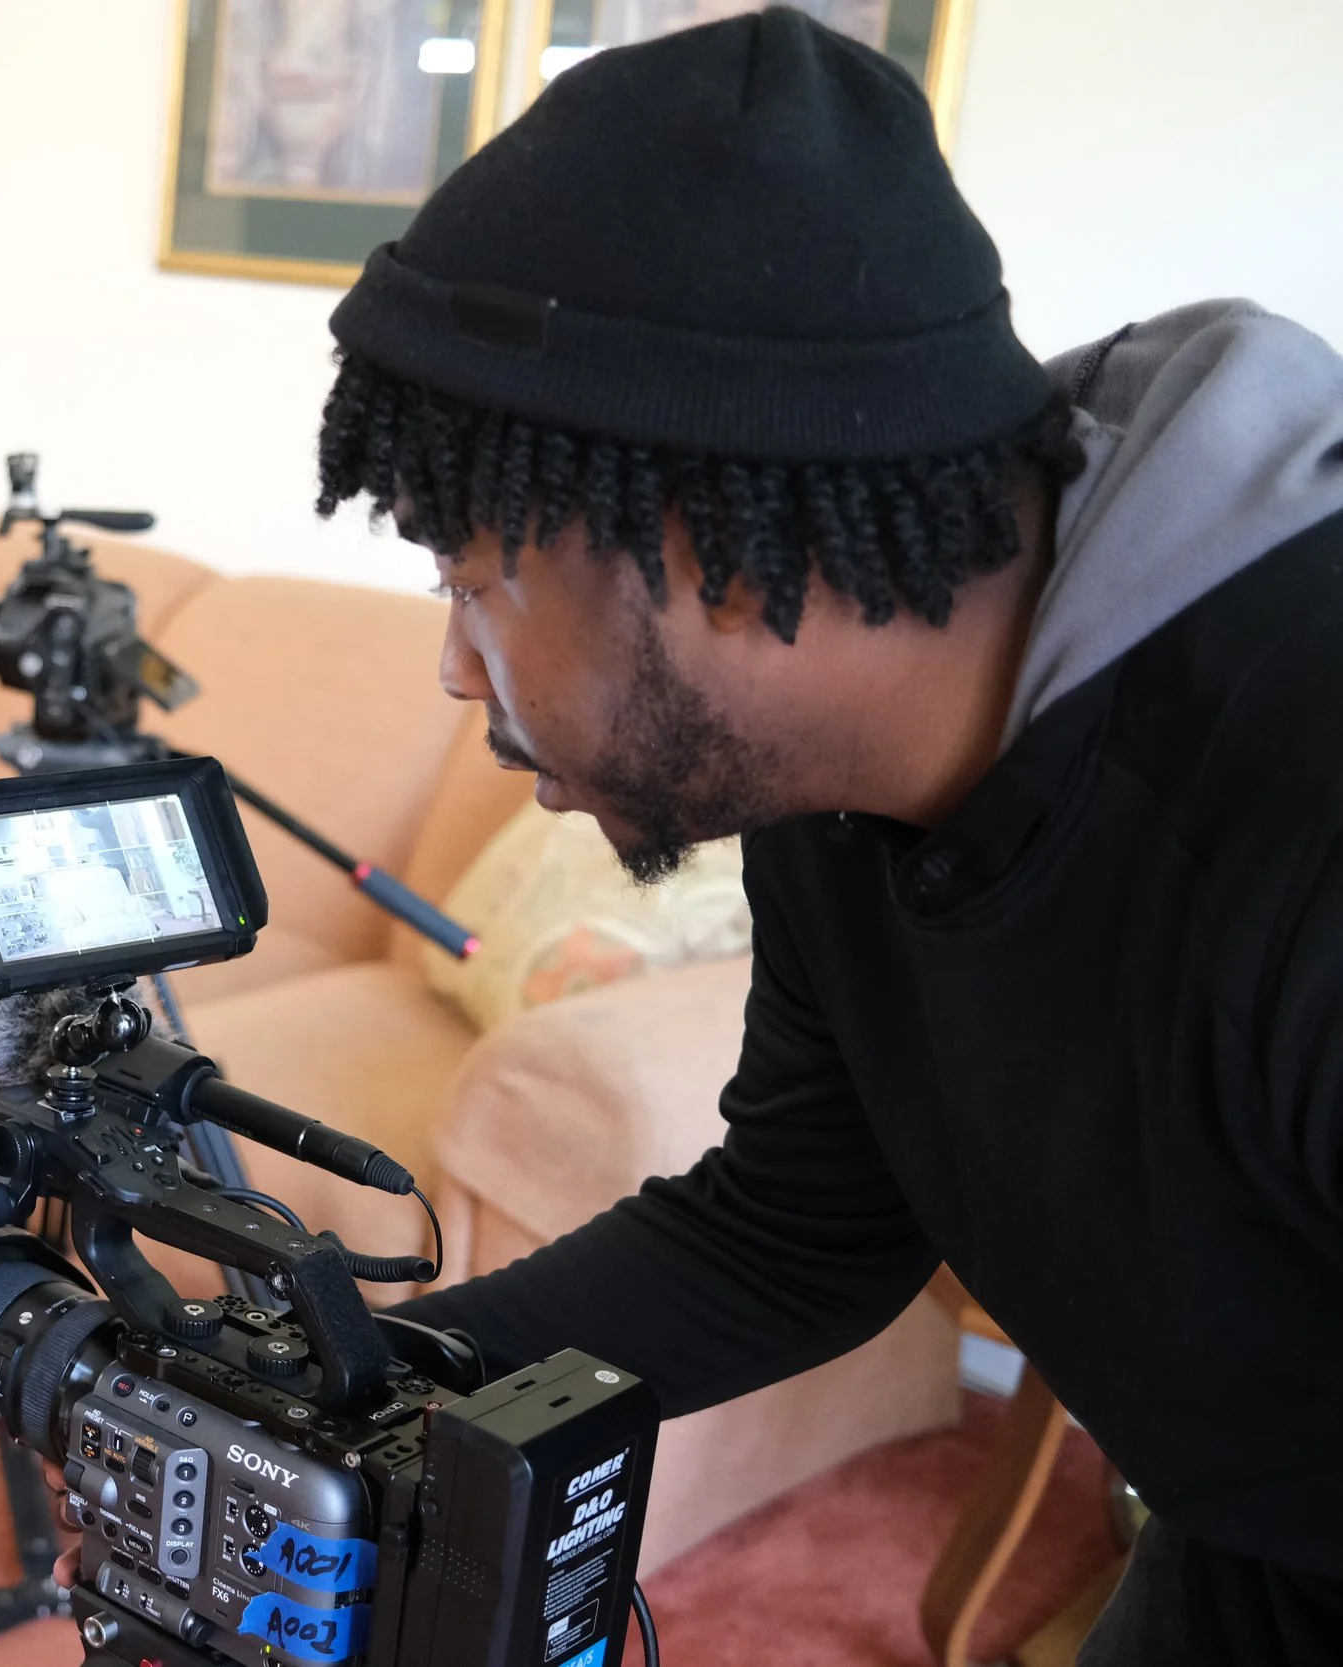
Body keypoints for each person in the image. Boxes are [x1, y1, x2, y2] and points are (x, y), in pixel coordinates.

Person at [305, 9, 1343, 1662]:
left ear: (714, 549)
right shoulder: (840, 781)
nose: (454, 664)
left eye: (472, 572)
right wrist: (322, 1385)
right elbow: (791, 1228)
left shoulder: (1295, 799)